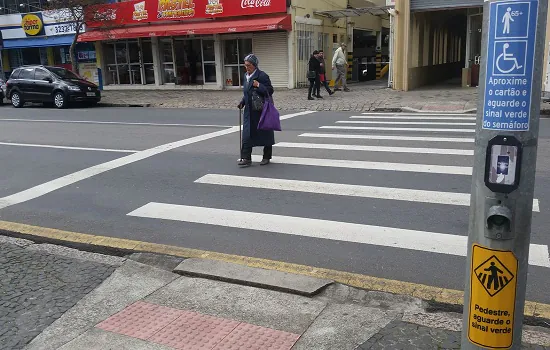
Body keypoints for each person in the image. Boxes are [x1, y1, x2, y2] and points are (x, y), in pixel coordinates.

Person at [237, 53, 275, 167]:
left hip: (261, 109)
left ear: (254, 65)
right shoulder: (246, 76)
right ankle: (246, 158)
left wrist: (259, 85)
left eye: (248, 65)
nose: (246, 68)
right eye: (245, 65)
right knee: (247, 134)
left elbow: (270, 90)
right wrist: (242, 102)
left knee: (266, 133)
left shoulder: (262, 76)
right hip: (249, 111)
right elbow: (248, 92)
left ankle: (266, 157)